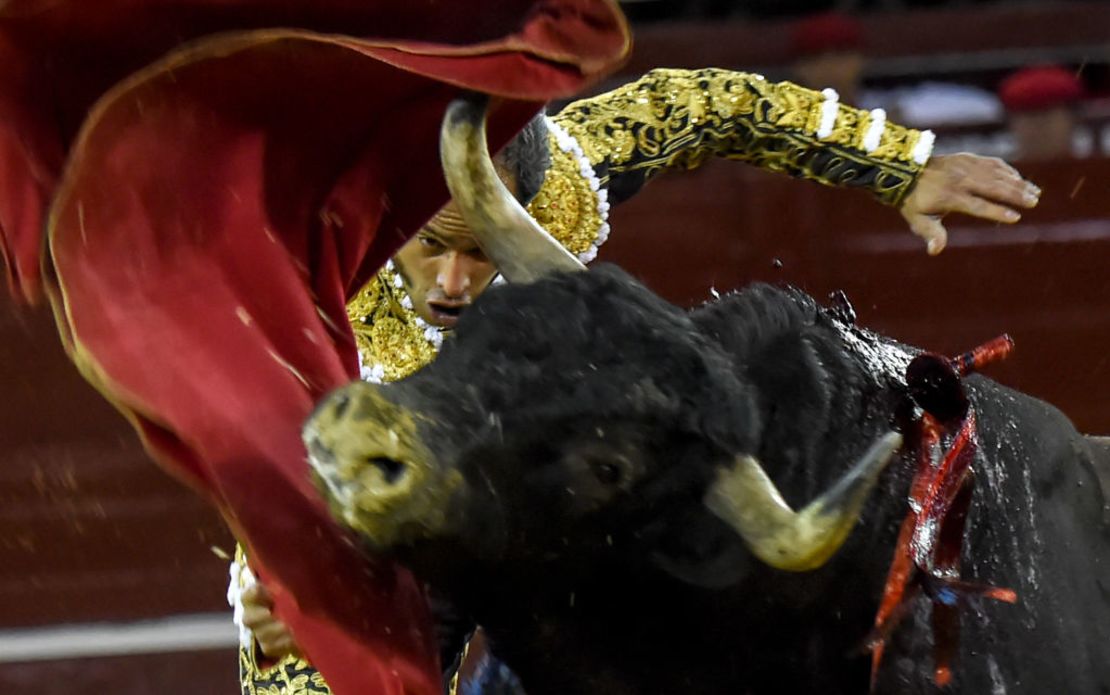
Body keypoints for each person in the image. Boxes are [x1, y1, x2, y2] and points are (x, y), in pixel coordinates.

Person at [232, 66, 1040, 695]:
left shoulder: (567, 169)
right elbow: (259, 445)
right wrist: (276, 585)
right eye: (429, 243)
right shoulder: (319, 263)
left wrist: (897, 166)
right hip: (392, 511)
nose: (449, 281)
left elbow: (715, 102)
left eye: (480, 251)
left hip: (534, 494)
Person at [998, 65, 1089, 161]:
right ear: (1010, 122)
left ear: (1075, 119)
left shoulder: (1100, 170)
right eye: (1030, 114)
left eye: (1047, 114)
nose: (1038, 125)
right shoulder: (994, 174)